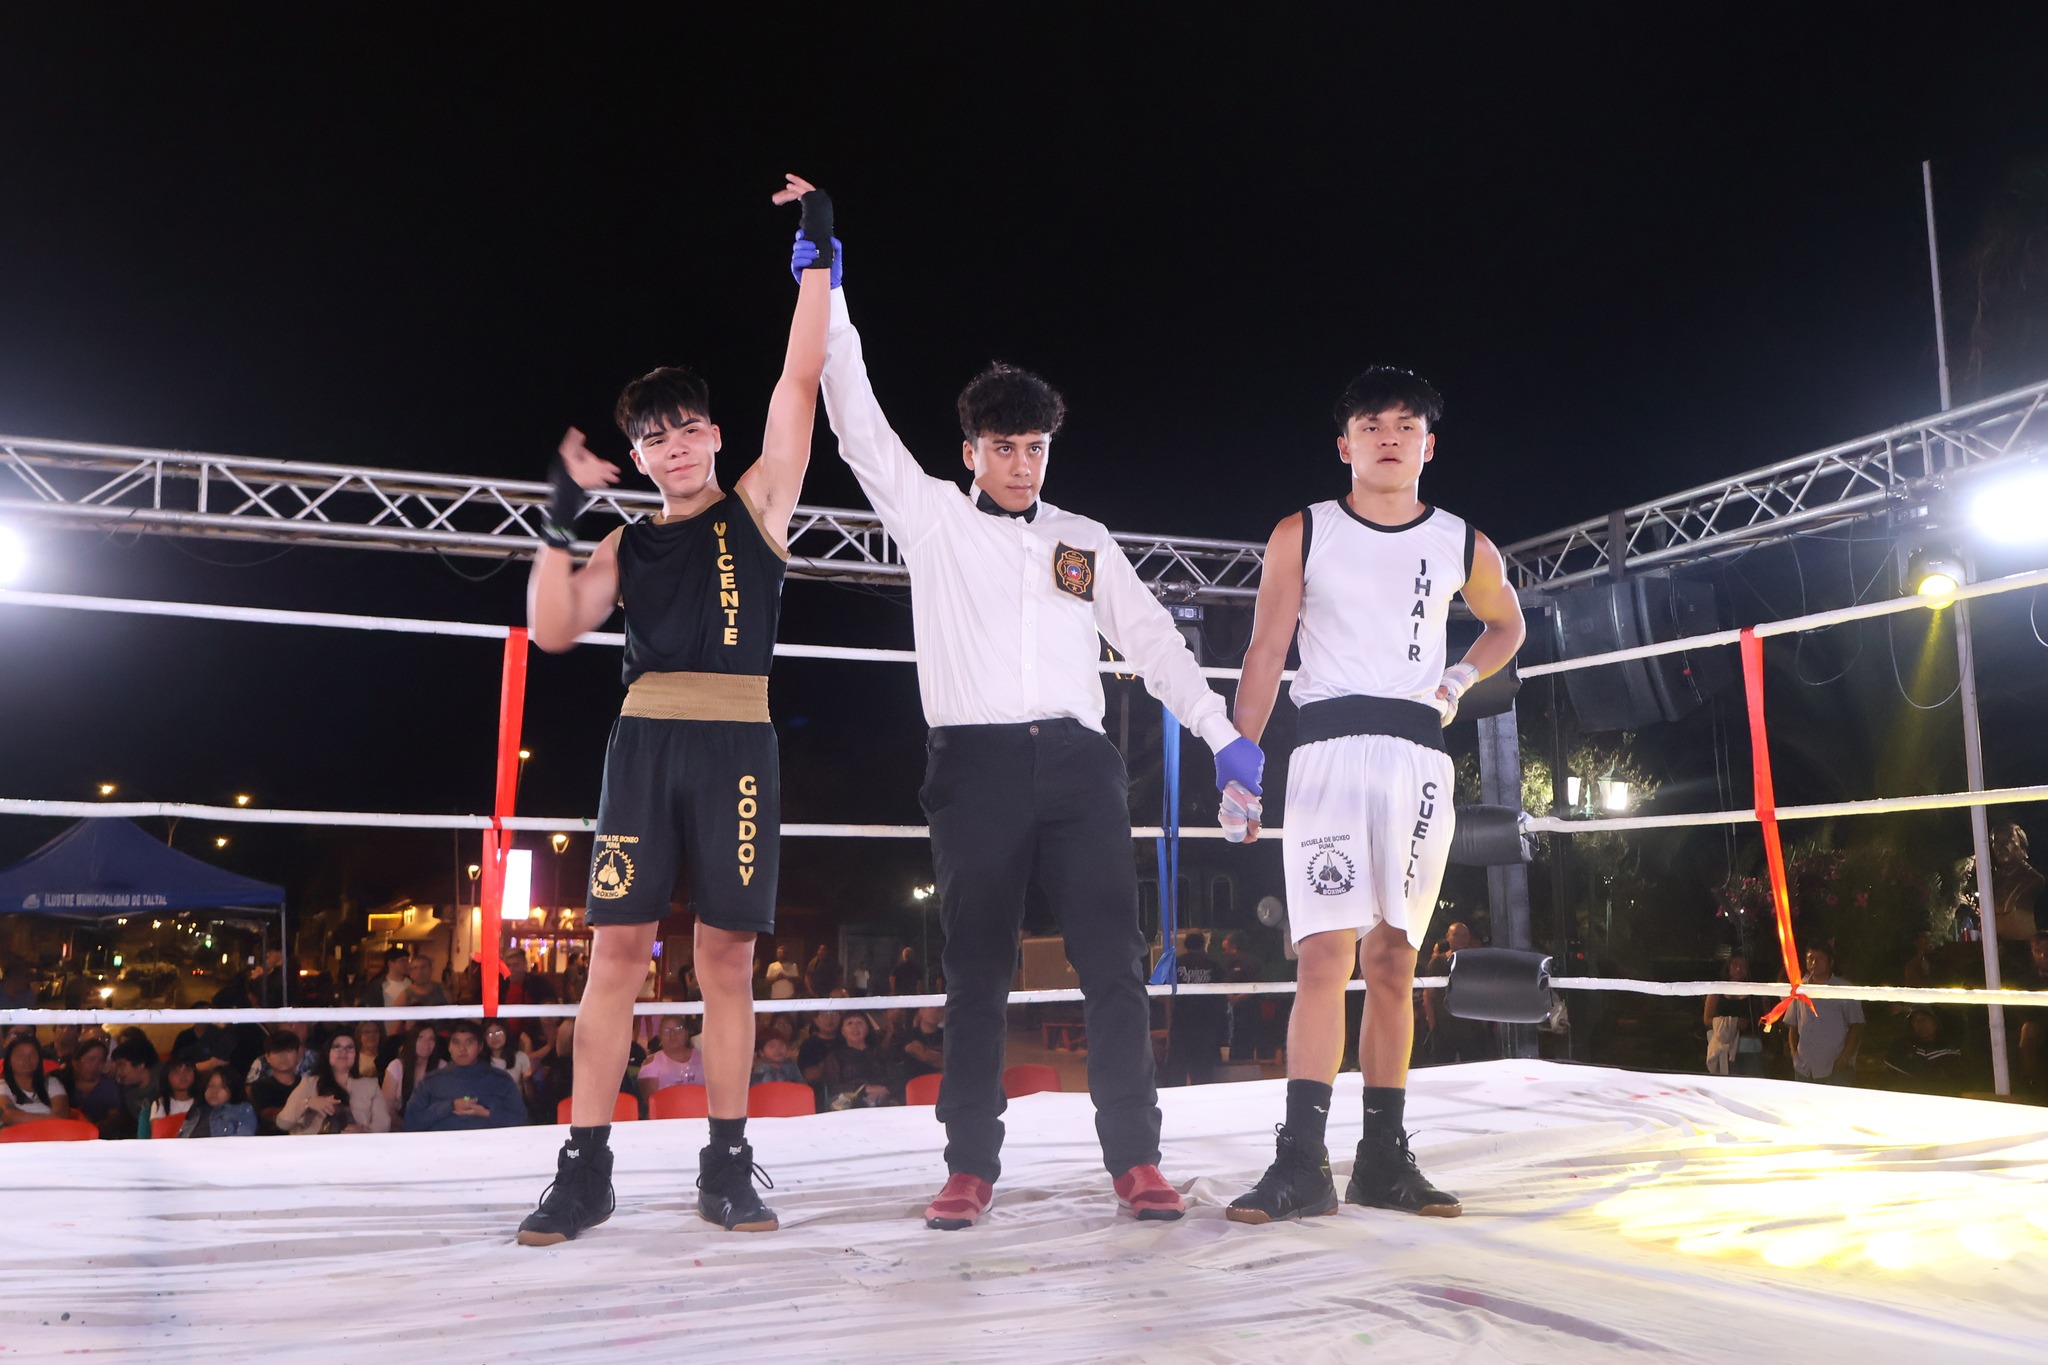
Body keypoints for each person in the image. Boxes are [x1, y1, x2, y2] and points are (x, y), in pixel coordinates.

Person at [819, 250, 1263, 1231]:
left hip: (1077, 764)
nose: (1022, 463)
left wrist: (1223, 734)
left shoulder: (1081, 539)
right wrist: (828, 283)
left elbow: (1149, 639)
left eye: (1035, 448)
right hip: (971, 764)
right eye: (1004, 446)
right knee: (975, 968)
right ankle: (968, 1167)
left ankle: (1134, 1161)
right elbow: (849, 412)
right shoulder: (930, 519)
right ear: (970, 448)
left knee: (1113, 959)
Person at [512, 177, 832, 1246]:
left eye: (689, 426)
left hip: (740, 743)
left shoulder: (759, 504)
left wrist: (817, 248)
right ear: (639, 457)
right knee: (613, 952)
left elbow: (800, 377)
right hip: (643, 746)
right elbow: (555, 629)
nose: (677, 444)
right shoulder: (625, 543)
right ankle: (584, 1168)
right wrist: (559, 516)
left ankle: (729, 1163)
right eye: (657, 437)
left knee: (729, 959)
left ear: (709, 433)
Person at [1225, 368, 1525, 1225]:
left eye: (1406, 424)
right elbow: (1263, 648)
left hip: (1416, 758)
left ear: (1429, 444)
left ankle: (1383, 1162)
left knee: (1396, 957)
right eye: (1371, 423)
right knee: (1324, 956)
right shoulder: (1303, 531)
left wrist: (1462, 675)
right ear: (1344, 443)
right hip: (1324, 752)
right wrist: (1242, 760)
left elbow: (1508, 621)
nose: (1388, 436)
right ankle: (1299, 1162)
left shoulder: (1465, 543)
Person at [406, 1020, 528, 1132]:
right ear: (449, 1047)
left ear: (480, 1046)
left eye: (469, 1042)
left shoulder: (500, 1080)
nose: (462, 1049)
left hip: (490, 1148)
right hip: (443, 1149)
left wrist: (487, 1113)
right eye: (456, 1042)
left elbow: (520, 1120)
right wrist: (450, 1106)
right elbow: (411, 1122)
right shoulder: (430, 1082)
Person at [277, 1031, 392, 1135]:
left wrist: (365, 1131)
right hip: (314, 1149)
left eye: (349, 1048)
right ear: (328, 1053)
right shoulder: (309, 1083)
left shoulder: (370, 1085)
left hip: (355, 1148)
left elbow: (384, 1123)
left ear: (356, 1055)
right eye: (337, 1047)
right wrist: (307, 1103)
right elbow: (282, 1123)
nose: (343, 1052)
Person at [1420, 922, 1498, 1065]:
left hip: (1471, 1028)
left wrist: (1488, 1022)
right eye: (1456, 935)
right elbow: (1428, 995)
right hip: (1444, 1027)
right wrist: (1433, 1026)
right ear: (1448, 937)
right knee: (1443, 1069)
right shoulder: (1437, 962)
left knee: (1473, 1068)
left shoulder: (1475, 961)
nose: (1461, 939)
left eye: (1465, 936)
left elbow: (1484, 992)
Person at [1787, 944, 1865, 1084]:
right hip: (1804, 1068)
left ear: (1831, 962)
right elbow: (1793, 1024)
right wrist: (1794, 1054)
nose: (1814, 963)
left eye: (1820, 959)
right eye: (1810, 958)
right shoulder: (1799, 988)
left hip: (1835, 1068)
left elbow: (1856, 1026)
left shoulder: (1844, 989)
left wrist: (1844, 1059)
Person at [1164, 931, 1226, 1087]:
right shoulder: (1214, 964)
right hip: (1206, 1025)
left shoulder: (1175, 964)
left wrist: (1169, 1022)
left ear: (1185, 945)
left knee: (1177, 1072)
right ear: (1203, 943)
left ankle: (1176, 1107)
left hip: (1181, 1024)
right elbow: (1222, 996)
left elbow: (1166, 996)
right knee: (1203, 1074)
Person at [1704, 952, 1765, 1077]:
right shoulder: (1717, 991)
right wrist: (1733, 1023)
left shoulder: (1757, 991)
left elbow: (1766, 1017)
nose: (1738, 969)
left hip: (1751, 1048)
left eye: (1743, 966)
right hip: (1725, 1047)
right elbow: (1707, 1019)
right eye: (1735, 965)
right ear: (1728, 967)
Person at [820, 1012, 899, 1109]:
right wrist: (864, 1090)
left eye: (860, 1023)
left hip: (884, 1101)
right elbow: (833, 1086)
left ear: (867, 1029)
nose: (855, 1027)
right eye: (850, 1023)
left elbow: (896, 1079)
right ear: (842, 1031)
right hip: (850, 1105)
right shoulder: (835, 1056)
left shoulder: (880, 1052)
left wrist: (884, 1091)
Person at [59, 1038, 128, 1140]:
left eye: (101, 1061)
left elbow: (115, 1116)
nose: (96, 1065)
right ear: (75, 1062)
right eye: (91, 1059)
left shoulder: (109, 1086)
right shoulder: (62, 1082)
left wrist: (95, 1127)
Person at [1885, 1008, 1966, 1094]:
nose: (1919, 1023)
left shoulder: (1951, 1048)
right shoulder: (1905, 1046)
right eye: (1915, 1021)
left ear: (1935, 1022)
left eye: (1923, 1019)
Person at [383, 1023, 446, 1123]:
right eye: (421, 1037)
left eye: (431, 1039)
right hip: (400, 1127)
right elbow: (386, 1108)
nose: (426, 1043)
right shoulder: (396, 1066)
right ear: (412, 1040)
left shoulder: (442, 1066)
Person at [1, 1033, 69, 1124]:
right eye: (20, 1055)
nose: (27, 1060)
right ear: (9, 1060)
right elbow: (8, 1114)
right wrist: (50, 1119)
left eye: (32, 1055)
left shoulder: (52, 1083)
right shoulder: (2, 1086)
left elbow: (61, 1116)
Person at [636, 1017, 706, 1102]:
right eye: (667, 1030)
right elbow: (652, 1103)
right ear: (660, 1035)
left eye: (678, 1029)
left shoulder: (704, 1058)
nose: (672, 1035)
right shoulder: (651, 1064)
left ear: (687, 1033)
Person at [248, 1031, 305, 1135]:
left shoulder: (307, 1084)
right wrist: (305, 1106)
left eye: (288, 1050)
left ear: (298, 1054)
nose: (283, 1056)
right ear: (267, 1057)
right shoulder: (259, 1087)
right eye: (277, 1051)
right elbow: (270, 1116)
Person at [178, 1068, 258, 1138]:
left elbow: (244, 1141)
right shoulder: (194, 1113)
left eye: (223, 1087)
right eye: (210, 1086)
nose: (214, 1091)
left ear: (233, 1089)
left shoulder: (242, 1110)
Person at [483, 1020, 535, 1104]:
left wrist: (526, 1080)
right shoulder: (480, 1062)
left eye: (498, 1032)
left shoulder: (520, 1057)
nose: (494, 1037)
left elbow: (531, 1097)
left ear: (506, 1032)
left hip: (515, 1109)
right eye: (489, 1034)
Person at [147, 1056, 200, 1135]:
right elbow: (159, 1135)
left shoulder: (202, 1101)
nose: (183, 1076)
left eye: (188, 1070)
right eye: (176, 1072)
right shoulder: (160, 1103)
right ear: (167, 1076)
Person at [895, 1006, 946, 1083]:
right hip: (914, 1085)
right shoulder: (908, 1036)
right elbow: (923, 1054)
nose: (936, 1010)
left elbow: (952, 1061)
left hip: (941, 1084)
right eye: (931, 1007)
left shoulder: (947, 1036)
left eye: (940, 1008)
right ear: (921, 1010)